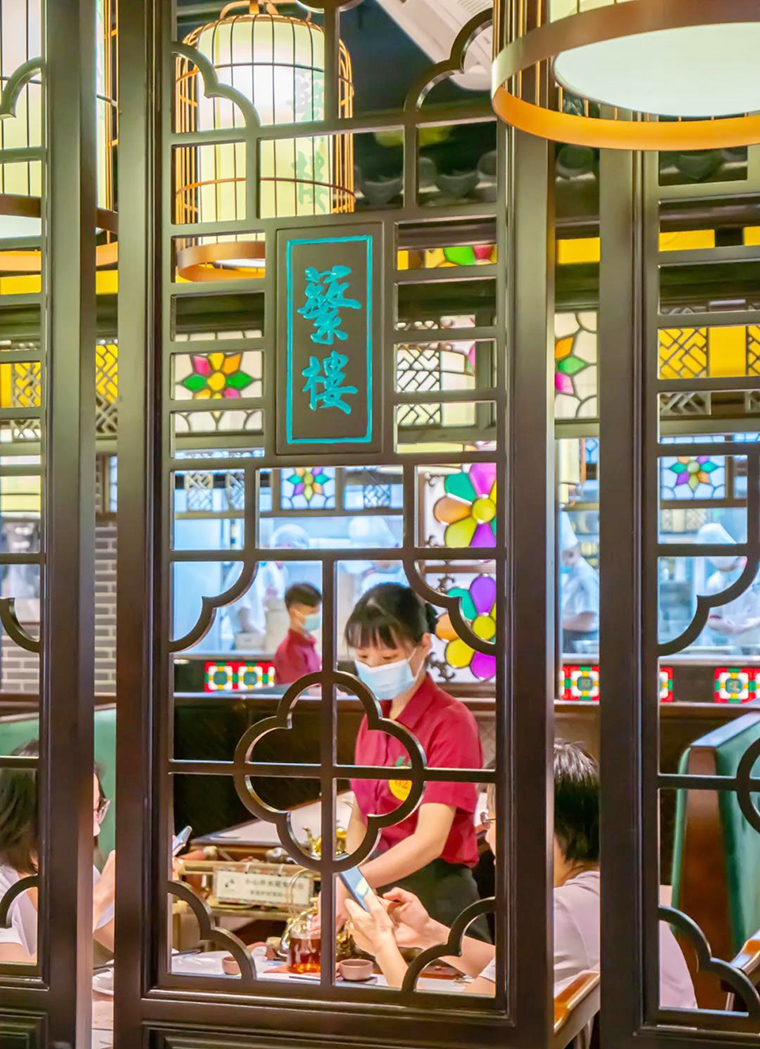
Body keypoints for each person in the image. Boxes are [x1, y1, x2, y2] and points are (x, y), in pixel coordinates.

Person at [345, 741, 696, 1009]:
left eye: (492, 820)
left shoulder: (562, 910)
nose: (489, 837)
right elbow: (512, 970)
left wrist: (383, 946)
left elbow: (450, 1032)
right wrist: (430, 933)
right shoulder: (608, 891)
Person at [338, 583, 487, 937]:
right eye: (363, 657)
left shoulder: (451, 721)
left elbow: (430, 840)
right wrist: (353, 880)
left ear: (424, 644)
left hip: (438, 896)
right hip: (376, 887)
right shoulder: (373, 719)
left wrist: (353, 882)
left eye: (388, 658)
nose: (374, 667)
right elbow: (361, 815)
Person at [0, 740, 115, 963]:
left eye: (96, 810)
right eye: (82, 814)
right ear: (32, 814)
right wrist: (100, 897)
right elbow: (21, 977)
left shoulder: (68, 866)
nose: (95, 829)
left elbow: (137, 950)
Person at [224, 524, 310, 650]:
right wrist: (271, 639)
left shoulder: (274, 570)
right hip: (248, 644)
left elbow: (267, 606)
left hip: (261, 640)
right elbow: (245, 623)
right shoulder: (241, 575)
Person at [698, 522, 760, 652]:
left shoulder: (756, 572)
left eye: (732, 568)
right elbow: (712, 618)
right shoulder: (714, 582)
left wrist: (755, 623)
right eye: (724, 570)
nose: (728, 573)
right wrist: (722, 625)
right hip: (735, 647)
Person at [560, 512, 600, 654]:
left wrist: (553, 622)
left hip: (580, 642)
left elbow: (586, 622)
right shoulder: (570, 575)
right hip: (569, 639)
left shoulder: (584, 577)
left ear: (571, 555)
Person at [273, 583, 323, 685]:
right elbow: (301, 691)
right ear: (293, 613)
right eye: (312, 613)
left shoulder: (307, 645)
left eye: (317, 612)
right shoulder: (290, 651)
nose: (316, 617)